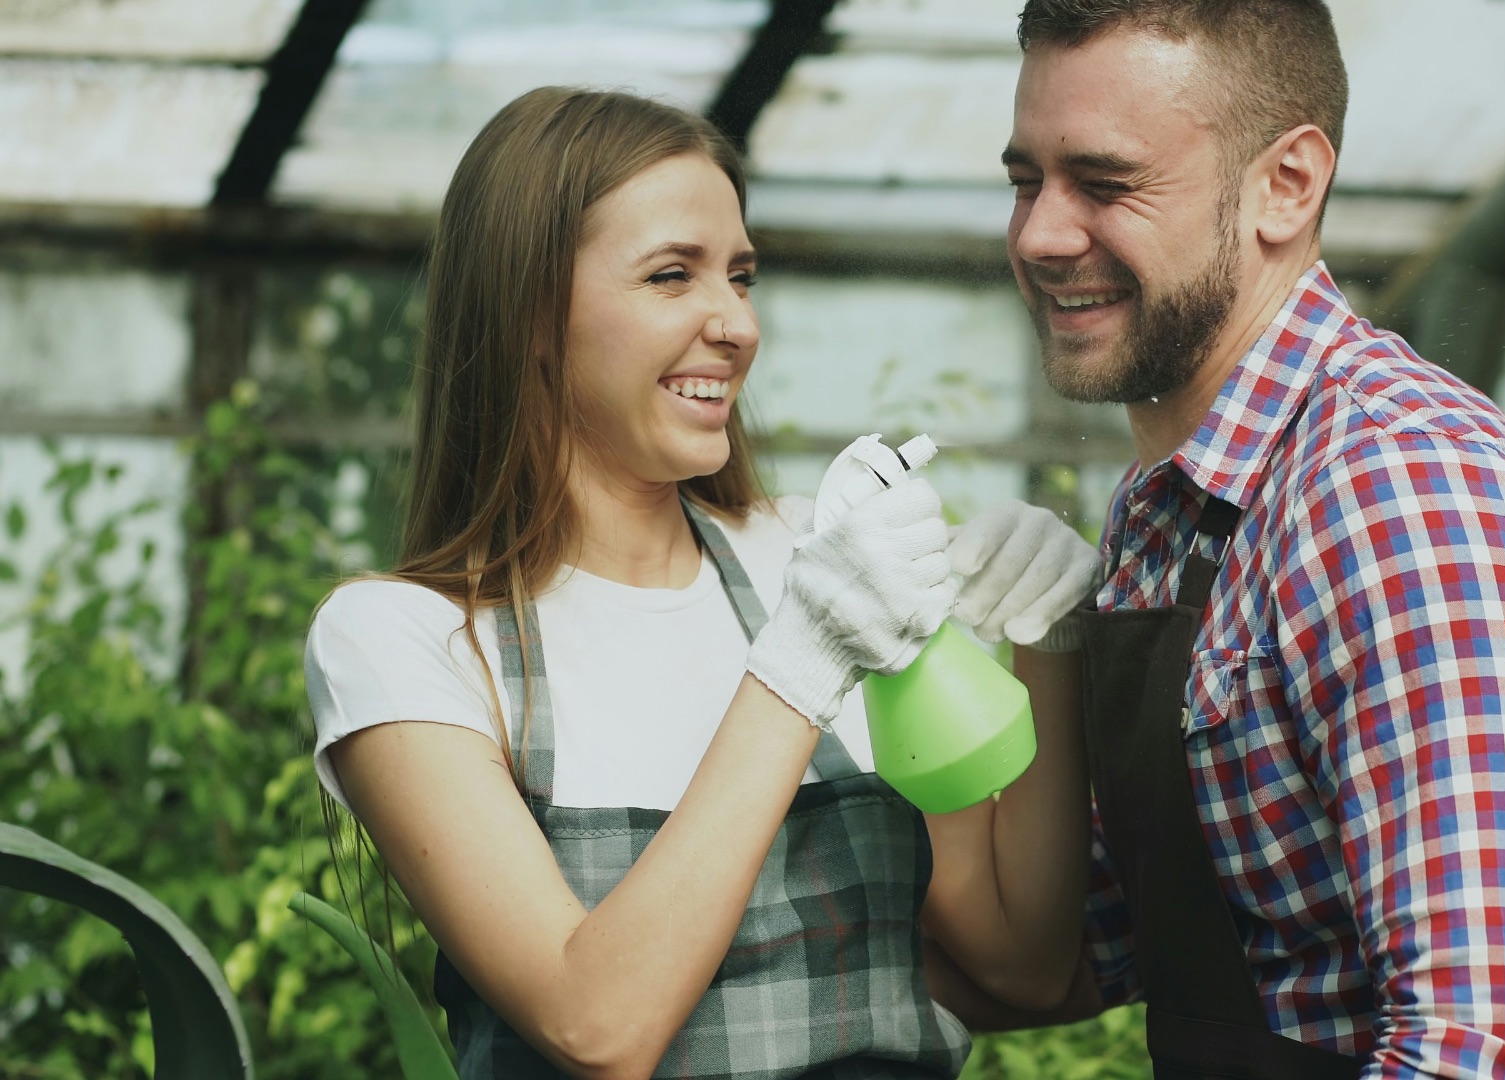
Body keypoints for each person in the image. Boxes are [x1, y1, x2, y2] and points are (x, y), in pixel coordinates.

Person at [930, 2, 1505, 1077]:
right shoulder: (1173, 515)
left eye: (1104, 184)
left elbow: (1487, 1047)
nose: (1043, 235)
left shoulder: (1401, 496)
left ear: (1286, 186)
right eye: (1027, 181)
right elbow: (1073, 958)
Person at [303, 87, 1091, 1080]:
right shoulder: (404, 641)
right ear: (530, 311)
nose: (736, 324)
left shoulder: (808, 560)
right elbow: (595, 1026)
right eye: (672, 275)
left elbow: (1018, 957)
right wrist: (803, 661)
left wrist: (1050, 636)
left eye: (742, 276)